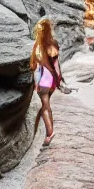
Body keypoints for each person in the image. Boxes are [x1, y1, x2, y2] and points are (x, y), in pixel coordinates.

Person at [30, 18, 64, 146]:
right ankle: (45, 132)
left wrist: (37, 83)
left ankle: (49, 134)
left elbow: (37, 67)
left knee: (44, 107)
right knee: (47, 107)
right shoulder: (54, 43)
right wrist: (59, 80)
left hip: (43, 79)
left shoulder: (38, 46)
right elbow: (56, 65)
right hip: (52, 80)